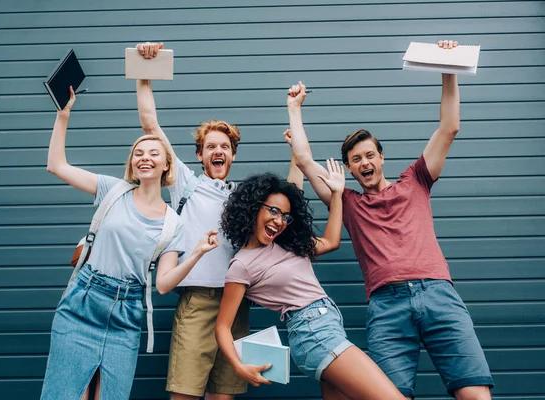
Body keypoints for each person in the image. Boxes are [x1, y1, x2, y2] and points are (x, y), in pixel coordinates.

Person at [286, 40, 494, 399]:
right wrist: (294, 107)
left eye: (369, 155)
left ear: (381, 157)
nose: (364, 163)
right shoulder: (346, 201)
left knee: (474, 393)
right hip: (387, 305)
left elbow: (449, 128)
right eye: (355, 159)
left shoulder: (416, 180)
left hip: (438, 293)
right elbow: (303, 158)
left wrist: (449, 69)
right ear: (349, 168)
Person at [41, 87, 219, 400]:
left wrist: (196, 254)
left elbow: (163, 284)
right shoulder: (113, 190)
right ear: (132, 162)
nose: (145, 157)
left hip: (126, 314)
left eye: (153, 153)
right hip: (83, 303)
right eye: (139, 153)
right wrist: (63, 115)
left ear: (167, 165)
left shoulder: (172, 223)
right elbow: (57, 165)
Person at [215, 166, 406, 400]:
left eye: (285, 216)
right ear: (253, 208)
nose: (279, 221)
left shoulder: (288, 245)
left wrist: (337, 194)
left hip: (329, 328)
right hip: (314, 334)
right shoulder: (241, 265)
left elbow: (331, 241)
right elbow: (223, 327)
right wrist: (238, 365)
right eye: (273, 211)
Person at [135, 41, 250, 400]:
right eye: (211, 146)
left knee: (224, 395)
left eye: (225, 147)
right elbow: (150, 123)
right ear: (200, 155)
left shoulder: (243, 196)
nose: (219, 151)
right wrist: (144, 72)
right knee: (185, 394)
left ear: (232, 155)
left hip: (237, 300)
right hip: (197, 300)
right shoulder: (186, 182)